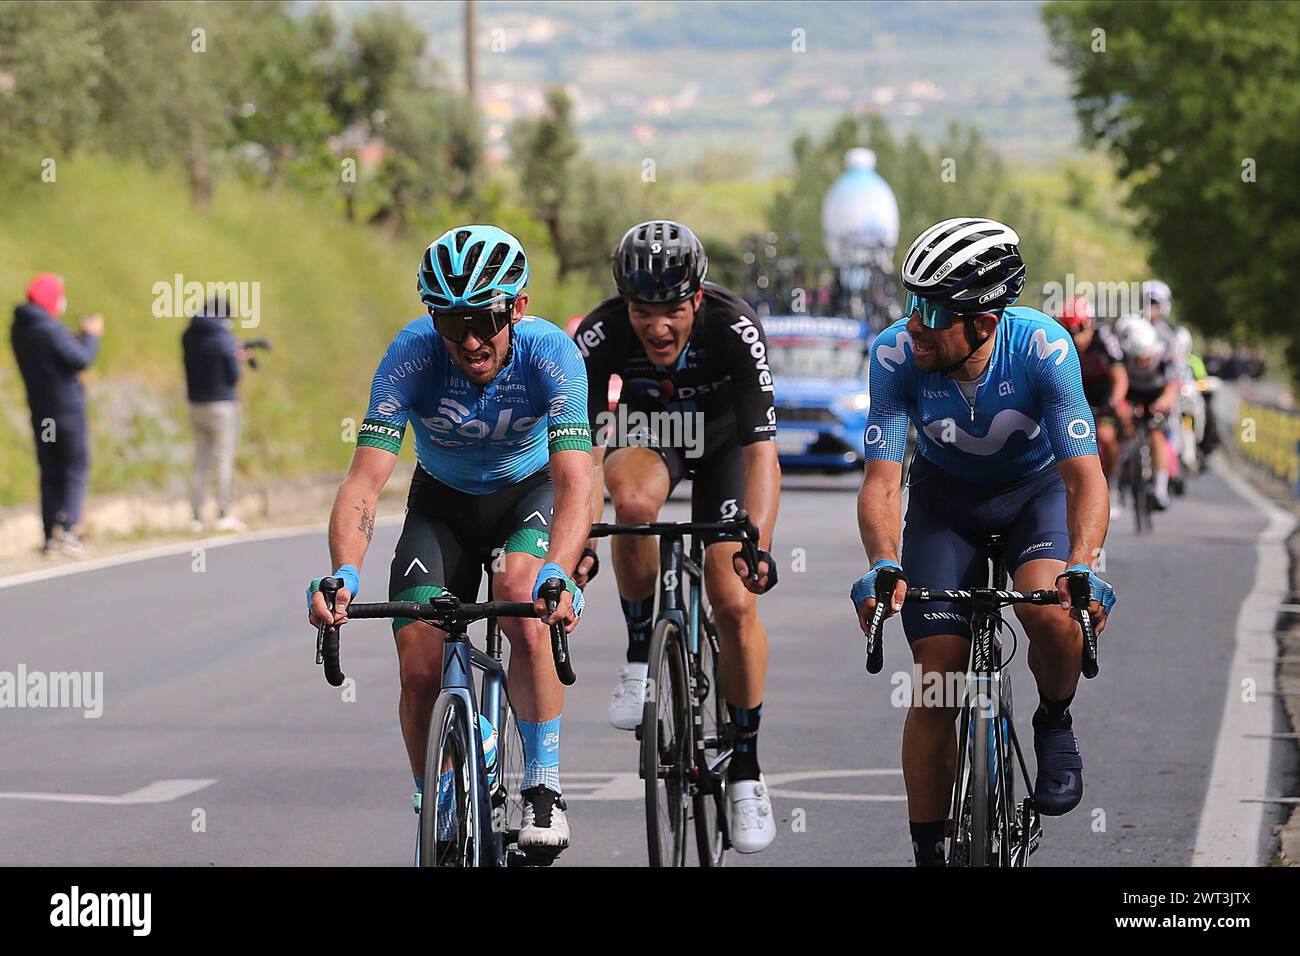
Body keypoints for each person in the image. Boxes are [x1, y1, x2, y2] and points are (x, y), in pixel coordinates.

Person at [306, 225, 593, 858]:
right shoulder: (411, 354)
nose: (468, 341)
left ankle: (542, 784)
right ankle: (432, 792)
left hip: (529, 494)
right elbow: (364, 482)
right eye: (450, 322)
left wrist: (560, 572)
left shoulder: (551, 353)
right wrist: (344, 573)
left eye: (484, 320)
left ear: (516, 308)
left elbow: (577, 481)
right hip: (441, 504)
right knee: (417, 659)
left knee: (523, 599)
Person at [850, 217, 1116, 867]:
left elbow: (1087, 478)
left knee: (1047, 612)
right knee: (937, 678)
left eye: (934, 310)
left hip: (1036, 498)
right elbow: (883, 483)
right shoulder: (893, 355)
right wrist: (884, 563)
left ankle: (1053, 718)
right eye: (911, 302)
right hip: (947, 506)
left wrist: (1080, 567)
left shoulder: (1043, 349)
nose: (914, 322)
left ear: (986, 323)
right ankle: (929, 852)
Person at [574, 220, 782, 854]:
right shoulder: (602, 333)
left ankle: (746, 766)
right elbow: (579, 453)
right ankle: (641, 651)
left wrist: (757, 545)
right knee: (632, 503)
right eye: (643, 311)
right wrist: (578, 535)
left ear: (696, 299)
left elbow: (763, 454)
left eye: (671, 312)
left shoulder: (733, 325)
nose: (657, 328)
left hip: (723, 444)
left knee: (733, 596)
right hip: (648, 433)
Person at [10, 273, 103, 557]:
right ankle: (70, 529)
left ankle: (50, 533)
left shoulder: (20, 328)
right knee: (74, 467)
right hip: (67, 412)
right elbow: (80, 360)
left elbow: (52, 359)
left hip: (43, 414)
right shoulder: (51, 329)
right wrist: (91, 337)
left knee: (50, 469)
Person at [1055, 297, 1129, 517]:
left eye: (1078, 330)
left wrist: (1115, 399)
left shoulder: (1105, 337)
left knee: (1106, 437)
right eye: (1069, 331)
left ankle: (1113, 486)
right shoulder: (1060, 339)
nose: (1075, 337)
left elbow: (1120, 375)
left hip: (1104, 394)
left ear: (1090, 324)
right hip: (1077, 395)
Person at [182, 294, 248, 533]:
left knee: (201, 461)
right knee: (223, 459)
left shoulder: (188, 334)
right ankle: (224, 514)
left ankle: (196, 517)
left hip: (195, 404)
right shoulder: (223, 337)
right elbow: (233, 375)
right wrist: (236, 356)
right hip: (222, 405)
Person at [1119, 318, 1180, 510]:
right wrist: (1122, 406)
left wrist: (1163, 402)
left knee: (1157, 436)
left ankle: (1160, 489)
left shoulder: (1164, 355)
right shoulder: (1123, 354)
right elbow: (1118, 382)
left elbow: (1172, 386)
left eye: (1146, 358)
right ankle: (1125, 466)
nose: (1141, 362)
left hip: (1157, 394)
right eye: (1137, 359)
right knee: (1124, 426)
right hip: (1133, 393)